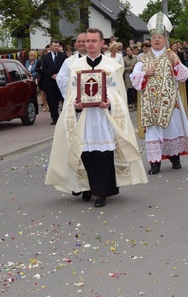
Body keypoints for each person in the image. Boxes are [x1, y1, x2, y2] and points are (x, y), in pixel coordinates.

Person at [45, 28, 148, 207]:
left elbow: (119, 94)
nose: (90, 44)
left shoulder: (112, 66)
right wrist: (75, 105)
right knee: (84, 152)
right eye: (87, 41)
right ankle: (87, 187)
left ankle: (101, 192)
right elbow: (70, 94)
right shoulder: (75, 67)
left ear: (102, 43)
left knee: (103, 154)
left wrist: (110, 102)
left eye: (94, 41)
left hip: (103, 118)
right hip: (84, 118)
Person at [131, 13, 188, 174]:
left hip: (170, 100)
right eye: (154, 38)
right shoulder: (143, 59)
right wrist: (145, 73)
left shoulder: (171, 56)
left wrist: (176, 62)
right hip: (150, 102)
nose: (157, 40)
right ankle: (155, 162)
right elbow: (134, 79)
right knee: (153, 130)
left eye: (160, 37)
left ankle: (175, 158)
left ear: (165, 40)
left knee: (172, 128)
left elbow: (183, 76)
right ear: (150, 41)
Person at [40, 39, 67, 125]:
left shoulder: (63, 56)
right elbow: (44, 69)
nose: (56, 48)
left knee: (64, 100)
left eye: (58, 46)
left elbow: (66, 67)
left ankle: (66, 118)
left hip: (61, 82)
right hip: (50, 82)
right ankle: (55, 118)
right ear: (51, 46)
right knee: (52, 101)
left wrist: (59, 75)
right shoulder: (46, 57)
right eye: (55, 46)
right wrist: (51, 75)